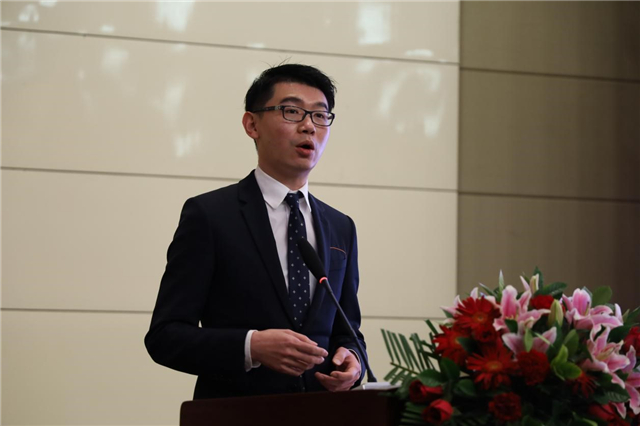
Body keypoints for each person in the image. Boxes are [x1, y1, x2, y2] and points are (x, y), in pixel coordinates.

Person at [145, 63, 368, 399]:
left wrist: (353, 361)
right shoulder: (210, 215)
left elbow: (347, 329)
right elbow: (165, 336)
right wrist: (251, 346)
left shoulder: (340, 227)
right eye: (292, 111)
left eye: (321, 116)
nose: (309, 126)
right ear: (252, 124)